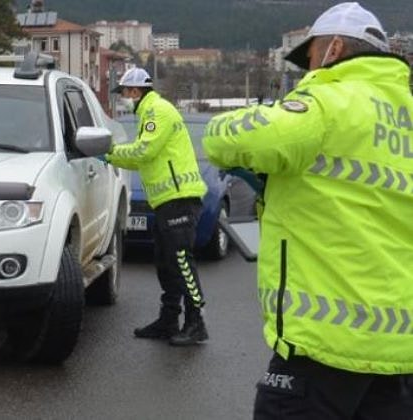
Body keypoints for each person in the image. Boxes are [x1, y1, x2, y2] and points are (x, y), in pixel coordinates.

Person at [202, 2, 413, 418]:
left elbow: (226, 140)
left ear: (332, 49)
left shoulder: (328, 100)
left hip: (323, 349)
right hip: (400, 354)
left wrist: (227, 126)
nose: (307, 70)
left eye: (311, 56)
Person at [104, 67, 209, 346]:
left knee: (182, 262)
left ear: (136, 91)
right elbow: (140, 158)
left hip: (179, 198)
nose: (124, 98)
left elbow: (143, 151)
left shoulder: (157, 111)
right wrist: (110, 158)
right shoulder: (147, 113)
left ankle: (196, 322)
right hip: (166, 200)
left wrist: (108, 152)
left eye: (124, 93)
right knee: (165, 263)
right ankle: (169, 319)